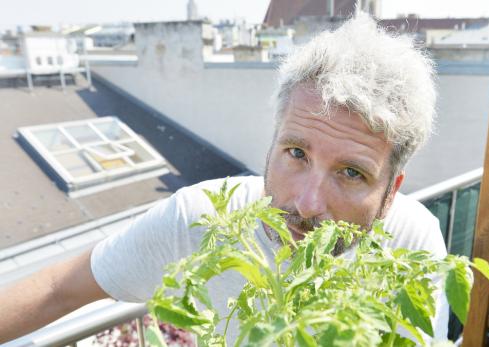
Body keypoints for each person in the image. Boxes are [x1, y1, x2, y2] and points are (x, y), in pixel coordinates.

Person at [0, 13, 448, 344]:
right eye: (296, 153)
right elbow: (59, 289)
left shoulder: (413, 243)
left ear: (391, 193)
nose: (308, 203)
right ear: (271, 145)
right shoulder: (201, 219)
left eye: (351, 173)